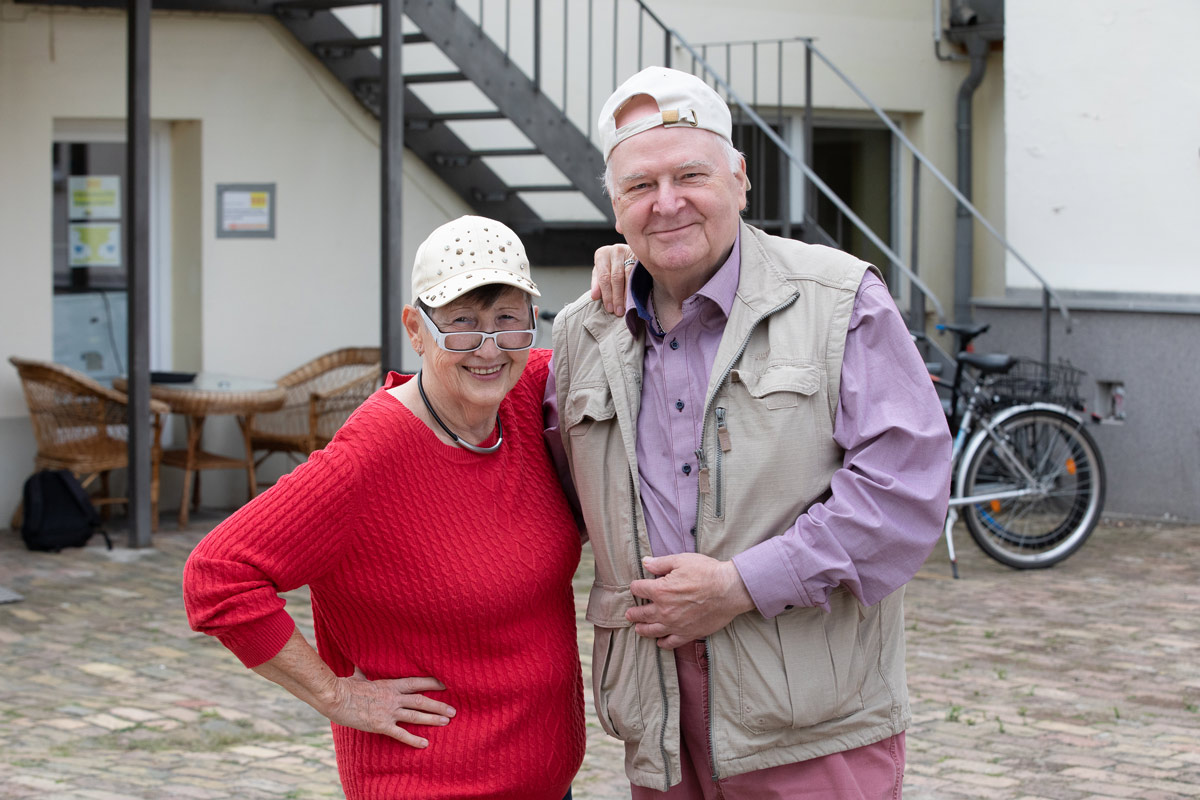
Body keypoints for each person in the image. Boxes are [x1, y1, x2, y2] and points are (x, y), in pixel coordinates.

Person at [545, 66, 952, 797]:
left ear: (739, 178)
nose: (666, 203)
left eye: (689, 175)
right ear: (614, 207)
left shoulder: (837, 299)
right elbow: (529, 489)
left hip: (810, 724)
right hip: (659, 726)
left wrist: (740, 586)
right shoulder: (584, 332)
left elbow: (904, 491)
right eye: (640, 187)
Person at [183, 216, 584, 800]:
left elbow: (620, 335)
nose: (489, 347)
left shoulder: (525, 393)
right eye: (462, 324)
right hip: (434, 784)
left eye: (508, 320)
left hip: (547, 781)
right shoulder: (368, 459)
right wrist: (335, 694)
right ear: (416, 329)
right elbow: (217, 577)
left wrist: (620, 268)